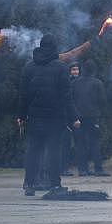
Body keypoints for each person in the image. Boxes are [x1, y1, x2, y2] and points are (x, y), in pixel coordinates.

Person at [16, 34, 80, 196]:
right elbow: (67, 96)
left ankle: (29, 184)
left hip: (34, 117)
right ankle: (54, 184)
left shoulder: (29, 67)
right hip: (55, 118)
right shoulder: (60, 68)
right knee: (54, 151)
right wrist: (74, 118)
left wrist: (21, 116)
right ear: (54, 47)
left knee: (33, 151)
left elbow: (24, 95)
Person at [72, 60, 109, 177]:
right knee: (95, 143)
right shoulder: (97, 83)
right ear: (94, 70)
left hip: (78, 117)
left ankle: (82, 169)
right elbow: (103, 101)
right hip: (93, 117)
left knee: (80, 143)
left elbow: (70, 99)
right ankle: (98, 169)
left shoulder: (74, 83)